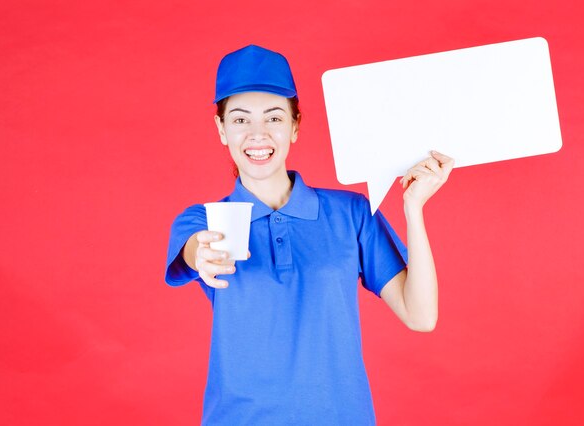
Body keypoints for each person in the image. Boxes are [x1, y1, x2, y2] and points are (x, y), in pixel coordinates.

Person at [165, 44, 454, 426]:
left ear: (295, 126)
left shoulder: (351, 213)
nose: (257, 134)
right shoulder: (203, 221)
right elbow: (194, 250)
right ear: (221, 130)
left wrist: (413, 208)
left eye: (273, 118)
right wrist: (200, 255)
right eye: (239, 120)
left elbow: (421, 316)